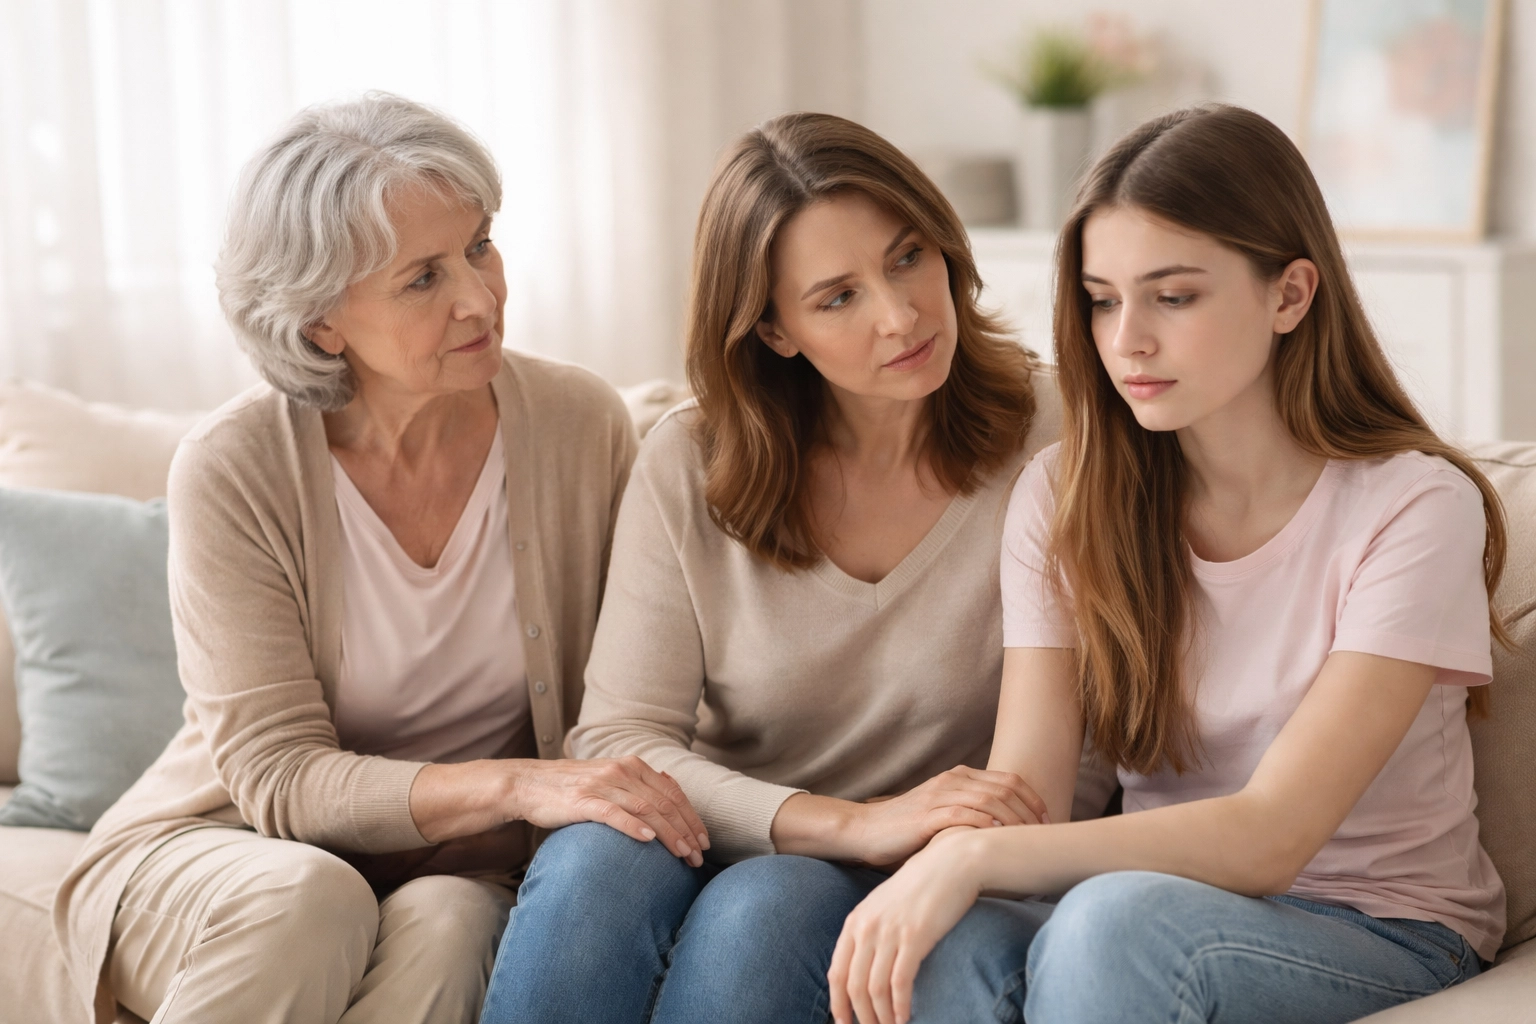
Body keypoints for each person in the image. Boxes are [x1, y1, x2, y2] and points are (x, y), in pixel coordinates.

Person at [827, 103, 1508, 1024]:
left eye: (1173, 297)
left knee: (1112, 925)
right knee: (945, 943)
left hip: (1384, 925)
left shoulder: (1415, 506)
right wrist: (951, 857)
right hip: (1150, 903)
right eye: (1103, 300)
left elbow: (1272, 835)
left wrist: (971, 855)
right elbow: (1028, 797)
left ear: (1290, 295)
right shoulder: (1065, 495)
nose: (1126, 341)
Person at [53, 92, 708, 1024]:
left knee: (451, 925)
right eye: (423, 279)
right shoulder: (234, 466)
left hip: (457, 866)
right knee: (311, 897)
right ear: (322, 320)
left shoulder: (579, 424)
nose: (479, 297)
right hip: (226, 849)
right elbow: (278, 776)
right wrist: (518, 784)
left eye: (480, 246)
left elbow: (641, 683)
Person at [478, 112, 1085, 1024]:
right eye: (838, 297)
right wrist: (849, 821)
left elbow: (1091, 734)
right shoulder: (691, 462)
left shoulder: (1060, 429)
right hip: (726, 823)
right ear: (773, 329)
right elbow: (619, 740)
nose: (900, 315)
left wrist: (906, 842)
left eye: (908, 257)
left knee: (763, 909)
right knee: (594, 858)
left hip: (925, 862)